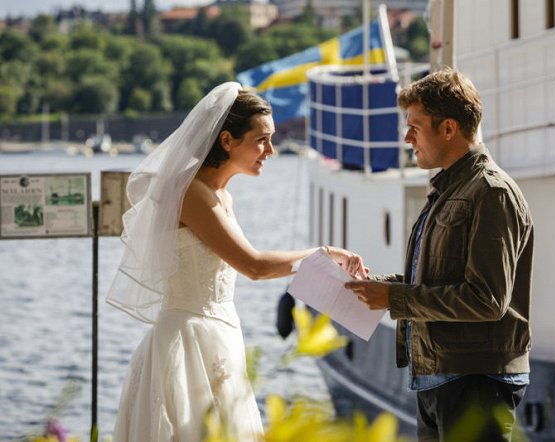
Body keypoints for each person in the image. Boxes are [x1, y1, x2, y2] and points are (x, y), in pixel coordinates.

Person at [106, 82, 366, 441]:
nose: (271, 151)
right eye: (262, 140)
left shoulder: (220, 196)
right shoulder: (191, 194)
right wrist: (322, 254)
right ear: (227, 140)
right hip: (188, 344)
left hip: (221, 335)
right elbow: (255, 266)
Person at [345, 69, 534, 442]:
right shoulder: (449, 189)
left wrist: (394, 298)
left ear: (448, 129)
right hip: (440, 378)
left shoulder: (491, 192)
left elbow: (487, 300)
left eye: (415, 126)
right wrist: (377, 288)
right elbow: (438, 282)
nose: (406, 137)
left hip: (475, 381)